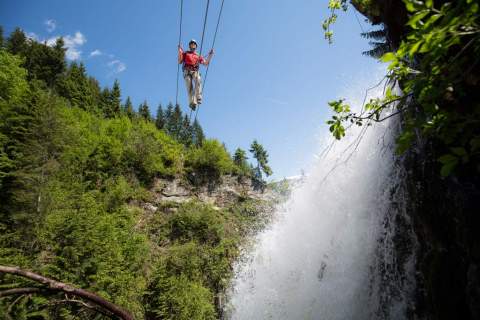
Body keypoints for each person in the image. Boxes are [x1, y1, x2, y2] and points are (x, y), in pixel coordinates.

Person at [178, 39, 214, 110]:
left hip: (195, 71)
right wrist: (180, 51)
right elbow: (180, 61)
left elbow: (206, 63)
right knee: (189, 86)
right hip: (187, 71)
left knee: (198, 80)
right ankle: (192, 102)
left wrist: (210, 55)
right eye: (191, 44)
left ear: (196, 46)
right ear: (189, 45)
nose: (192, 45)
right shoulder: (185, 53)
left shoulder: (198, 56)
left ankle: (198, 97)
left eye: (194, 44)